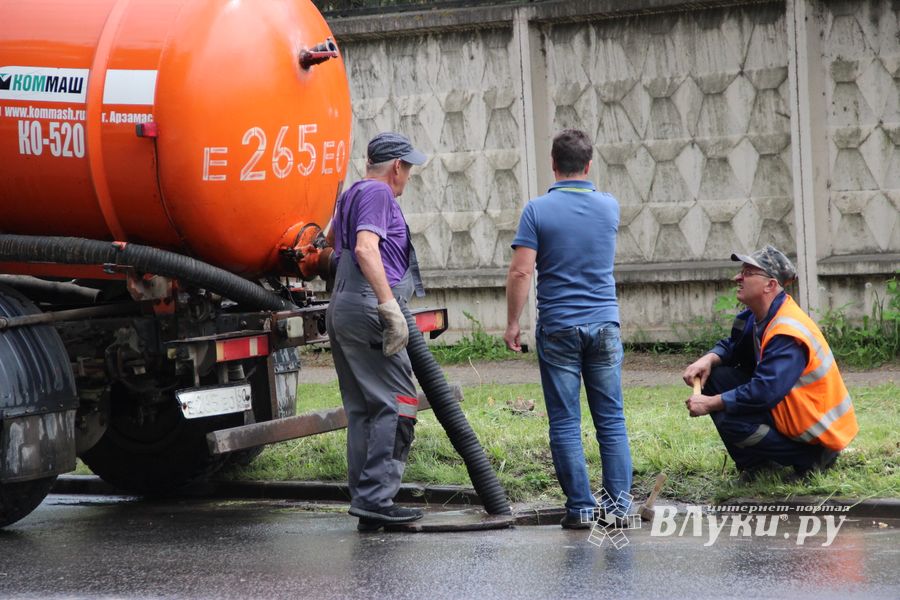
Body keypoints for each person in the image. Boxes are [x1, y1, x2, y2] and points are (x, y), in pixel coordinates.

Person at [504, 128, 633, 530]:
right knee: (611, 420)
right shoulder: (609, 207)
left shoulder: (537, 211)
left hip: (559, 326)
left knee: (564, 422)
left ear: (553, 164)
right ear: (589, 165)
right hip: (604, 325)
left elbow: (521, 271)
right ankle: (619, 509)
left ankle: (580, 509)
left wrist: (513, 323)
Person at [682, 245, 858, 480]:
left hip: (816, 429)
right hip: (789, 408)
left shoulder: (787, 332)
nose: (737, 278)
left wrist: (710, 403)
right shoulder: (755, 317)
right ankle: (757, 466)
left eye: (747, 273)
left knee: (731, 420)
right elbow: (733, 347)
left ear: (770, 285)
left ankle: (811, 459)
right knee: (715, 377)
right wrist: (709, 358)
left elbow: (763, 392)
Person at [325, 132, 427, 531]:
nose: (409, 177)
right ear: (397, 166)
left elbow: (331, 243)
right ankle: (377, 498)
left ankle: (367, 500)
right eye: (409, 168)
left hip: (344, 305)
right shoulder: (379, 193)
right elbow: (366, 249)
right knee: (399, 402)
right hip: (368, 306)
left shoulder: (351, 193)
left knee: (364, 408)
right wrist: (388, 306)